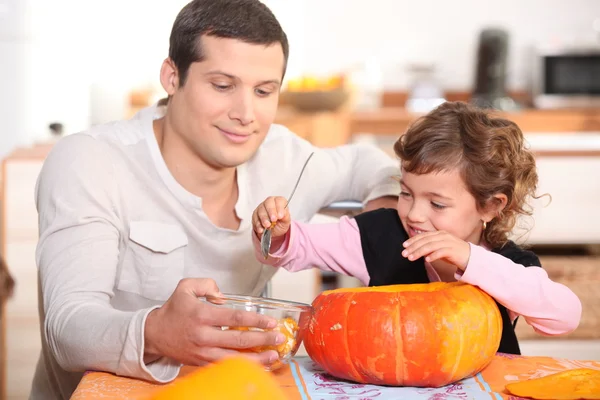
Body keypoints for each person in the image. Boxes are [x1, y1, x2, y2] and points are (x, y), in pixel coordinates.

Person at [30, 1, 400, 398]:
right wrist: (157, 332)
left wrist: (384, 218)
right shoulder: (90, 162)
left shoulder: (285, 159)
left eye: (263, 91)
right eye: (223, 86)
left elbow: (370, 165)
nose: (246, 113)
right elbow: (67, 328)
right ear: (172, 77)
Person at [252, 101, 582, 355]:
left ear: (491, 206)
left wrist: (469, 259)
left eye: (437, 203)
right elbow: (299, 246)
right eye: (406, 193)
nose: (414, 215)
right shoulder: (380, 234)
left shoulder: (506, 264)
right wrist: (278, 231)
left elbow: (564, 316)